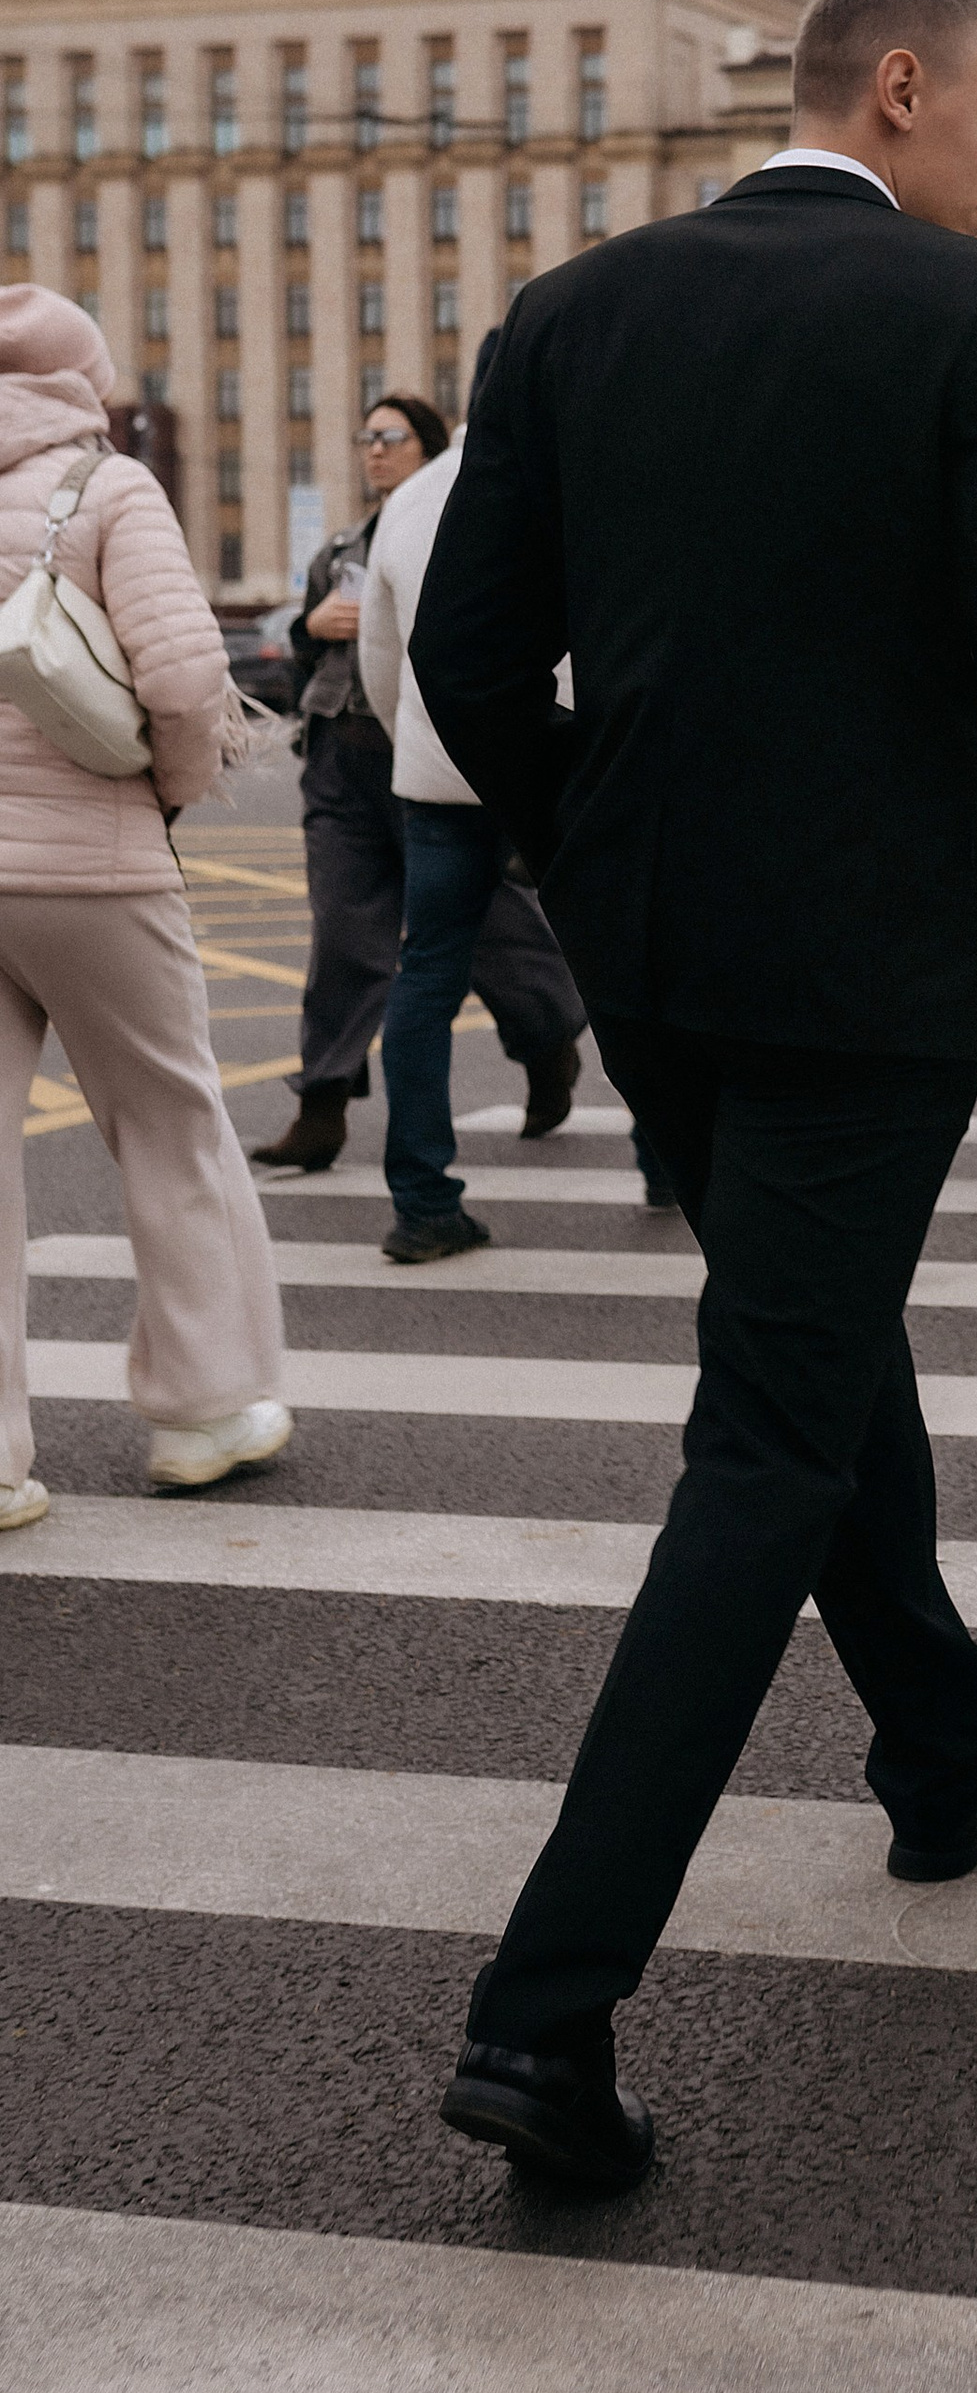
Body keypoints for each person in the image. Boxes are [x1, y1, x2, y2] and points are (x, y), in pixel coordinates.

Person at [410, 0, 977, 2188]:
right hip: (860, 966)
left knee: (815, 1343)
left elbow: (469, 650)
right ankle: (541, 2016)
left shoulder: (569, 313)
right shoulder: (969, 316)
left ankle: (943, 1750)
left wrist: (610, 837)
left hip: (659, 959)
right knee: (766, 1431)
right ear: (893, 89)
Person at [0, 287, 291, 1530]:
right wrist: (166, 797)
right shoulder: (106, 489)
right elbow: (181, 679)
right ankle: (203, 1410)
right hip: (93, 864)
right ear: (83, 379)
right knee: (171, 1122)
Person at [252, 392, 588, 1175]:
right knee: (343, 931)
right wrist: (309, 629)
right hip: (342, 756)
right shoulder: (340, 546)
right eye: (365, 436)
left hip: (424, 753)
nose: (373, 450)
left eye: (389, 437)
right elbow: (307, 653)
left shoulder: (452, 514)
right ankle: (323, 1104)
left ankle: (548, 1042)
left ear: (429, 448)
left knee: (495, 933)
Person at [358, 356, 588, 1266]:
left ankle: (421, 1200)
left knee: (425, 977)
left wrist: (416, 736)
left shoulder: (413, 497)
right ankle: (665, 1166)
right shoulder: (579, 472)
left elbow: (381, 656)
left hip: (439, 772)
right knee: (622, 958)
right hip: (563, 764)